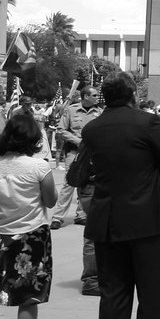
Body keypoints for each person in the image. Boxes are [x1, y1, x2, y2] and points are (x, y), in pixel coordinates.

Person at [83, 72, 160, 319]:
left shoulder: (91, 128)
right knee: (153, 295)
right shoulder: (147, 122)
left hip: (108, 222)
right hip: (148, 221)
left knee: (113, 295)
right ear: (131, 95)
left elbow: (84, 171)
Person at [0, 114, 57, 319]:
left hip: (2, 234)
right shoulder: (39, 168)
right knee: (27, 298)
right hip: (30, 238)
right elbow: (50, 201)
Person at [52, 86, 102, 231]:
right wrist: (78, 141)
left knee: (86, 181)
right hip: (74, 152)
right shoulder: (71, 110)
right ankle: (58, 217)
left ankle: (81, 214)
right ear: (86, 96)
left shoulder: (99, 112)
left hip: (92, 153)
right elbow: (61, 130)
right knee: (69, 182)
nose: (97, 97)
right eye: (94, 95)